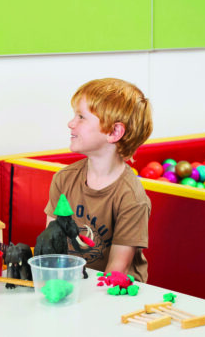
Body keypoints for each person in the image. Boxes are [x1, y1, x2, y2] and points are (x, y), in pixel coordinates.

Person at [43, 78, 152, 282]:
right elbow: (51, 244)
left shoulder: (132, 198)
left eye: (81, 117)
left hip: (116, 292)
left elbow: (116, 270)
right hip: (72, 282)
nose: (71, 123)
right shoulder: (64, 179)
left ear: (114, 132)